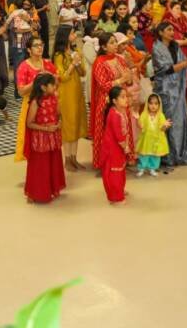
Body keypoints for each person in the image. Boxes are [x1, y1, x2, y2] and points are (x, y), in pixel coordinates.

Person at [152, 22, 187, 171]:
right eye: (169, 30)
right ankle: (167, 156)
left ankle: (179, 153)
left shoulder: (175, 47)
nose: (172, 32)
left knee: (180, 120)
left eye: (173, 29)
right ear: (160, 32)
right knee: (168, 122)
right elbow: (166, 69)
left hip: (177, 89)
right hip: (165, 90)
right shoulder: (156, 48)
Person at [89, 33, 132, 170]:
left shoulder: (120, 59)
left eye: (115, 42)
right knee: (108, 133)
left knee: (123, 129)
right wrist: (121, 80)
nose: (115, 45)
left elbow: (129, 80)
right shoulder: (99, 62)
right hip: (107, 102)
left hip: (122, 101)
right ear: (103, 46)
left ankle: (122, 159)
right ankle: (106, 163)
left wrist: (129, 74)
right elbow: (103, 85)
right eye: (112, 42)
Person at [14, 37, 58, 163]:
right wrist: (36, 81)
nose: (40, 48)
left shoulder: (48, 64)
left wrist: (53, 79)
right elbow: (21, 91)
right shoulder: (24, 67)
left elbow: (56, 83)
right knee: (33, 139)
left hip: (49, 105)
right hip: (32, 105)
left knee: (50, 138)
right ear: (28, 49)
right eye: (36, 45)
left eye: (41, 44)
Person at [23, 74, 65, 204]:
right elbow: (29, 123)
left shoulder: (54, 97)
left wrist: (59, 123)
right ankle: (37, 193)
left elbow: (58, 114)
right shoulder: (36, 102)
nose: (55, 86)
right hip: (41, 139)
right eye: (52, 84)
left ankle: (52, 189)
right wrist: (46, 129)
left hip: (53, 137)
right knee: (41, 167)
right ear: (43, 87)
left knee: (53, 164)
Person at [52, 24, 87, 171]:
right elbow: (62, 77)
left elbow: (83, 73)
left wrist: (78, 64)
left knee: (77, 123)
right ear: (65, 35)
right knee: (68, 125)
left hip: (77, 91)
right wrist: (72, 64)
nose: (75, 36)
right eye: (73, 33)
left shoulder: (76, 50)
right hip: (65, 94)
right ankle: (67, 159)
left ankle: (74, 158)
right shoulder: (58, 55)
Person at [100, 86, 131, 203]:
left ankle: (120, 190)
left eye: (126, 96)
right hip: (113, 147)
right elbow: (118, 136)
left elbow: (124, 130)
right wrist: (126, 147)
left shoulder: (121, 110)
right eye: (122, 97)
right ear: (114, 101)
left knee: (121, 168)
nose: (126, 99)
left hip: (119, 146)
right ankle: (115, 197)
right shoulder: (114, 115)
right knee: (115, 171)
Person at [135, 93, 172, 178]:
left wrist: (165, 126)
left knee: (155, 156)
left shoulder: (161, 115)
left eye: (156, 104)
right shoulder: (144, 114)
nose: (153, 106)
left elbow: (162, 129)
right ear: (147, 104)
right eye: (151, 103)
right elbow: (140, 124)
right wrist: (139, 124)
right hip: (146, 140)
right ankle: (141, 168)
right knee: (144, 155)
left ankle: (152, 168)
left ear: (159, 105)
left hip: (156, 140)